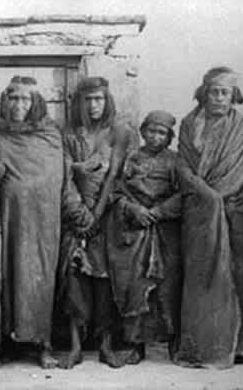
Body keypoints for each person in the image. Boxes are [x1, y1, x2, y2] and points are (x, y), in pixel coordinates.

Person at [0, 76, 63, 369]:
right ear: (5, 100)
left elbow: (55, 177)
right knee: (1, 274)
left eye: (25, 99)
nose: (18, 104)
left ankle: (43, 344)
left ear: (35, 102)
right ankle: (0, 344)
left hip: (40, 224)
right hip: (3, 219)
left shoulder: (49, 135)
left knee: (39, 278)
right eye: (13, 98)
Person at [174, 67, 243, 368]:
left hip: (234, 208)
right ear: (204, 93)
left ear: (234, 96)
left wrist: (218, 195)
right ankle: (200, 345)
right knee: (198, 274)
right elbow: (182, 164)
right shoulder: (189, 124)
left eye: (226, 92)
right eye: (214, 91)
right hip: (197, 208)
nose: (220, 97)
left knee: (238, 272)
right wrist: (205, 193)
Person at [58, 76, 136, 369]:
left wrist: (97, 214)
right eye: (88, 99)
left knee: (105, 281)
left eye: (99, 99)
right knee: (73, 277)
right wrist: (79, 214)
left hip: (107, 218)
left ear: (107, 100)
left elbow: (115, 176)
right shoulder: (68, 135)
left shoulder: (119, 132)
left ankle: (106, 345)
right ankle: (75, 346)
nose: (94, 105)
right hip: (75, 216)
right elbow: (64, 177)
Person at [106, 110, 182, 365]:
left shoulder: (176, 161)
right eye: (151, 131)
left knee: (167, 287)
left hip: (165, 231)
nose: (155, 137)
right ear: (143, 132)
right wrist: (133, 209)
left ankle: (172, 341)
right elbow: (116, 192)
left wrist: (159, 211)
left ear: (169, 137)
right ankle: (136, 343)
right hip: (135, 231)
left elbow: (184, 194)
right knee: (135, 284)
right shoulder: (131, 158)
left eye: (162, 133)